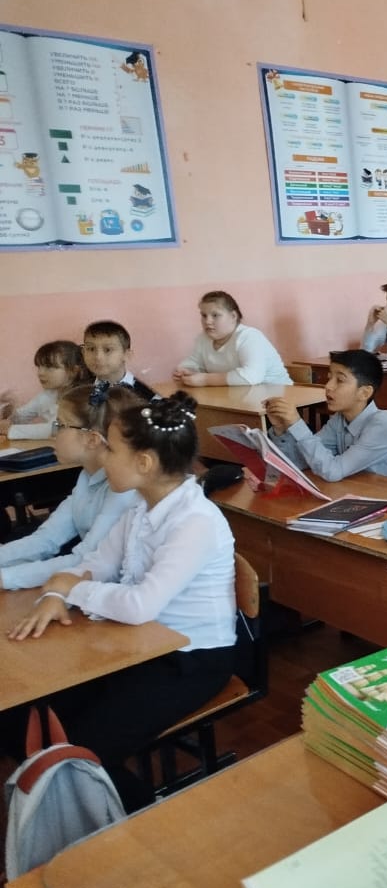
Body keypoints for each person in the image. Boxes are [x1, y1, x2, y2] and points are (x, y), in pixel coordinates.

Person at [5, 392, 237, 812]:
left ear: (144, 463)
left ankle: (134, 815)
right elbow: (96, 564)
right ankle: (67, 807)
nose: (103, 455)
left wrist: (70, 588)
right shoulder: (141, 509)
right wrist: (56, 592)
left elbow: (139, 605)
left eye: (111, 449)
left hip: (191, 659)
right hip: (139, 644)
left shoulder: (196, 522)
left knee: (82, 747)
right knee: (21, 717)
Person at [0, 384, 140, 589]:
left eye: (60, 425)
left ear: (92, 439)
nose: (53, 433)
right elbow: (46, 539)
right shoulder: (86, 476)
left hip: (119, 591)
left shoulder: (123, 491)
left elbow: (85, 560)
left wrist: (6, 578)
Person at [265, 349, 387, 481]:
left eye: (340, 380)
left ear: (364, 393)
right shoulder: (340, 419)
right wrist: (281, 430)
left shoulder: (383, 424)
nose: (328, 386)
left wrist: (297, 424)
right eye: (329, 378)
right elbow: (302, 461)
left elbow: (332, 471)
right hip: (364, 493)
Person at [173, 291, 292, 386]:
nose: (207, 321)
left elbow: (251, 376)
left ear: (233, 316)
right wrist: (186, 372)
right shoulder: (203, 339)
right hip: (239, 399)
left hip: (279, 400)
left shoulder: (249, 336)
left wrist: (205, 379)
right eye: (204, 315)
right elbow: (193, 363)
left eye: (215, 315)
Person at [0, 340, 87, 440]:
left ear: (73, 371)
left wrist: (10, 430)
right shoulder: (48, 395)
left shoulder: (78, 400)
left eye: (49, 367)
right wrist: (8, 417)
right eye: (39, 367)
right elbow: (22, 415)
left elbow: (54, 429)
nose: (40, 373)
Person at [82, 320, 157, 401]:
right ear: (83, 352)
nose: (98, 357)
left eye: (108, 350)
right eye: (91, 349)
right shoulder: (79, 391)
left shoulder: (147, 397)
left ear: (126, 355)